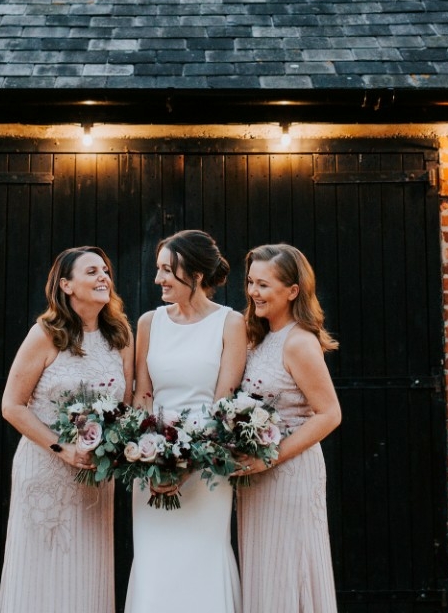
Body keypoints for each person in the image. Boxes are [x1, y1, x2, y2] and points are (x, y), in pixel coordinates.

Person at [0, 246, 134, 613]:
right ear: (66, 285)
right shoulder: (45, 334)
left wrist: (114, 447)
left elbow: (126, 408)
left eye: (105, 271)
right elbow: (12, 406)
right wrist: (63, 448)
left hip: (93, 477)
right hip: (46, 470)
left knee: (85, 577)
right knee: (41, 573)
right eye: (92, 271)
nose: (103, 277)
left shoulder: (121, 336)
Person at [124, 230, 246, 613]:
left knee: (202, 560)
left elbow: (224, 403)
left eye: (167, 270)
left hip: (207, 468)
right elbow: (143, 395)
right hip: (152, 466)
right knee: (155, 565)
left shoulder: (230, 323)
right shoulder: (149, 322)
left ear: (195, 275)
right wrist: (148, 455)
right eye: (158, 269)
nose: (157, 279)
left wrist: (189, 463)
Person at [235, 243, 341, 613]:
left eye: (263, 285)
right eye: (251, 282)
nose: (253, 292)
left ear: (292, 291)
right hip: (257, 476)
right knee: (265, 570)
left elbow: (329, 414)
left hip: (290, 472)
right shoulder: (259, 337)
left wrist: (270, 458)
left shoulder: (298, 342)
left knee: (289, 567)